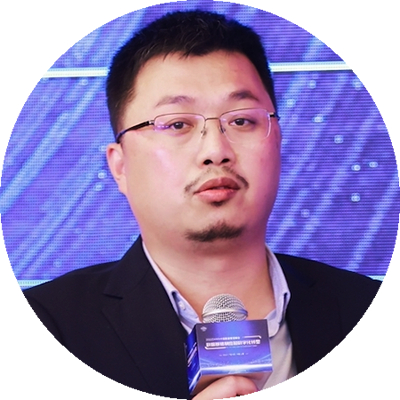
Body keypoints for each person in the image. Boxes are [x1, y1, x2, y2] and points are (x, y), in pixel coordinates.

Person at [23, 10, 381, 399]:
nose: (215, 150)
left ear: (277, 141)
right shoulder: (40, 330)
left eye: (241, 121)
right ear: (120, 166)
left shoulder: (373, 311)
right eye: (177, 124)